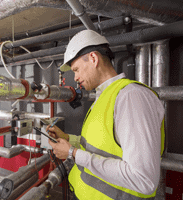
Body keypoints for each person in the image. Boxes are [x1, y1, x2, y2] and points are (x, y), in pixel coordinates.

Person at [47, 30, 165, 200]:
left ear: (93, 59)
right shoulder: (105, 96)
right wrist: (68, 139)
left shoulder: (131, 96)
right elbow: (101, 147)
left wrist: (73, 153)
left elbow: (143, 180)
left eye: (77, 69)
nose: (75, 77)